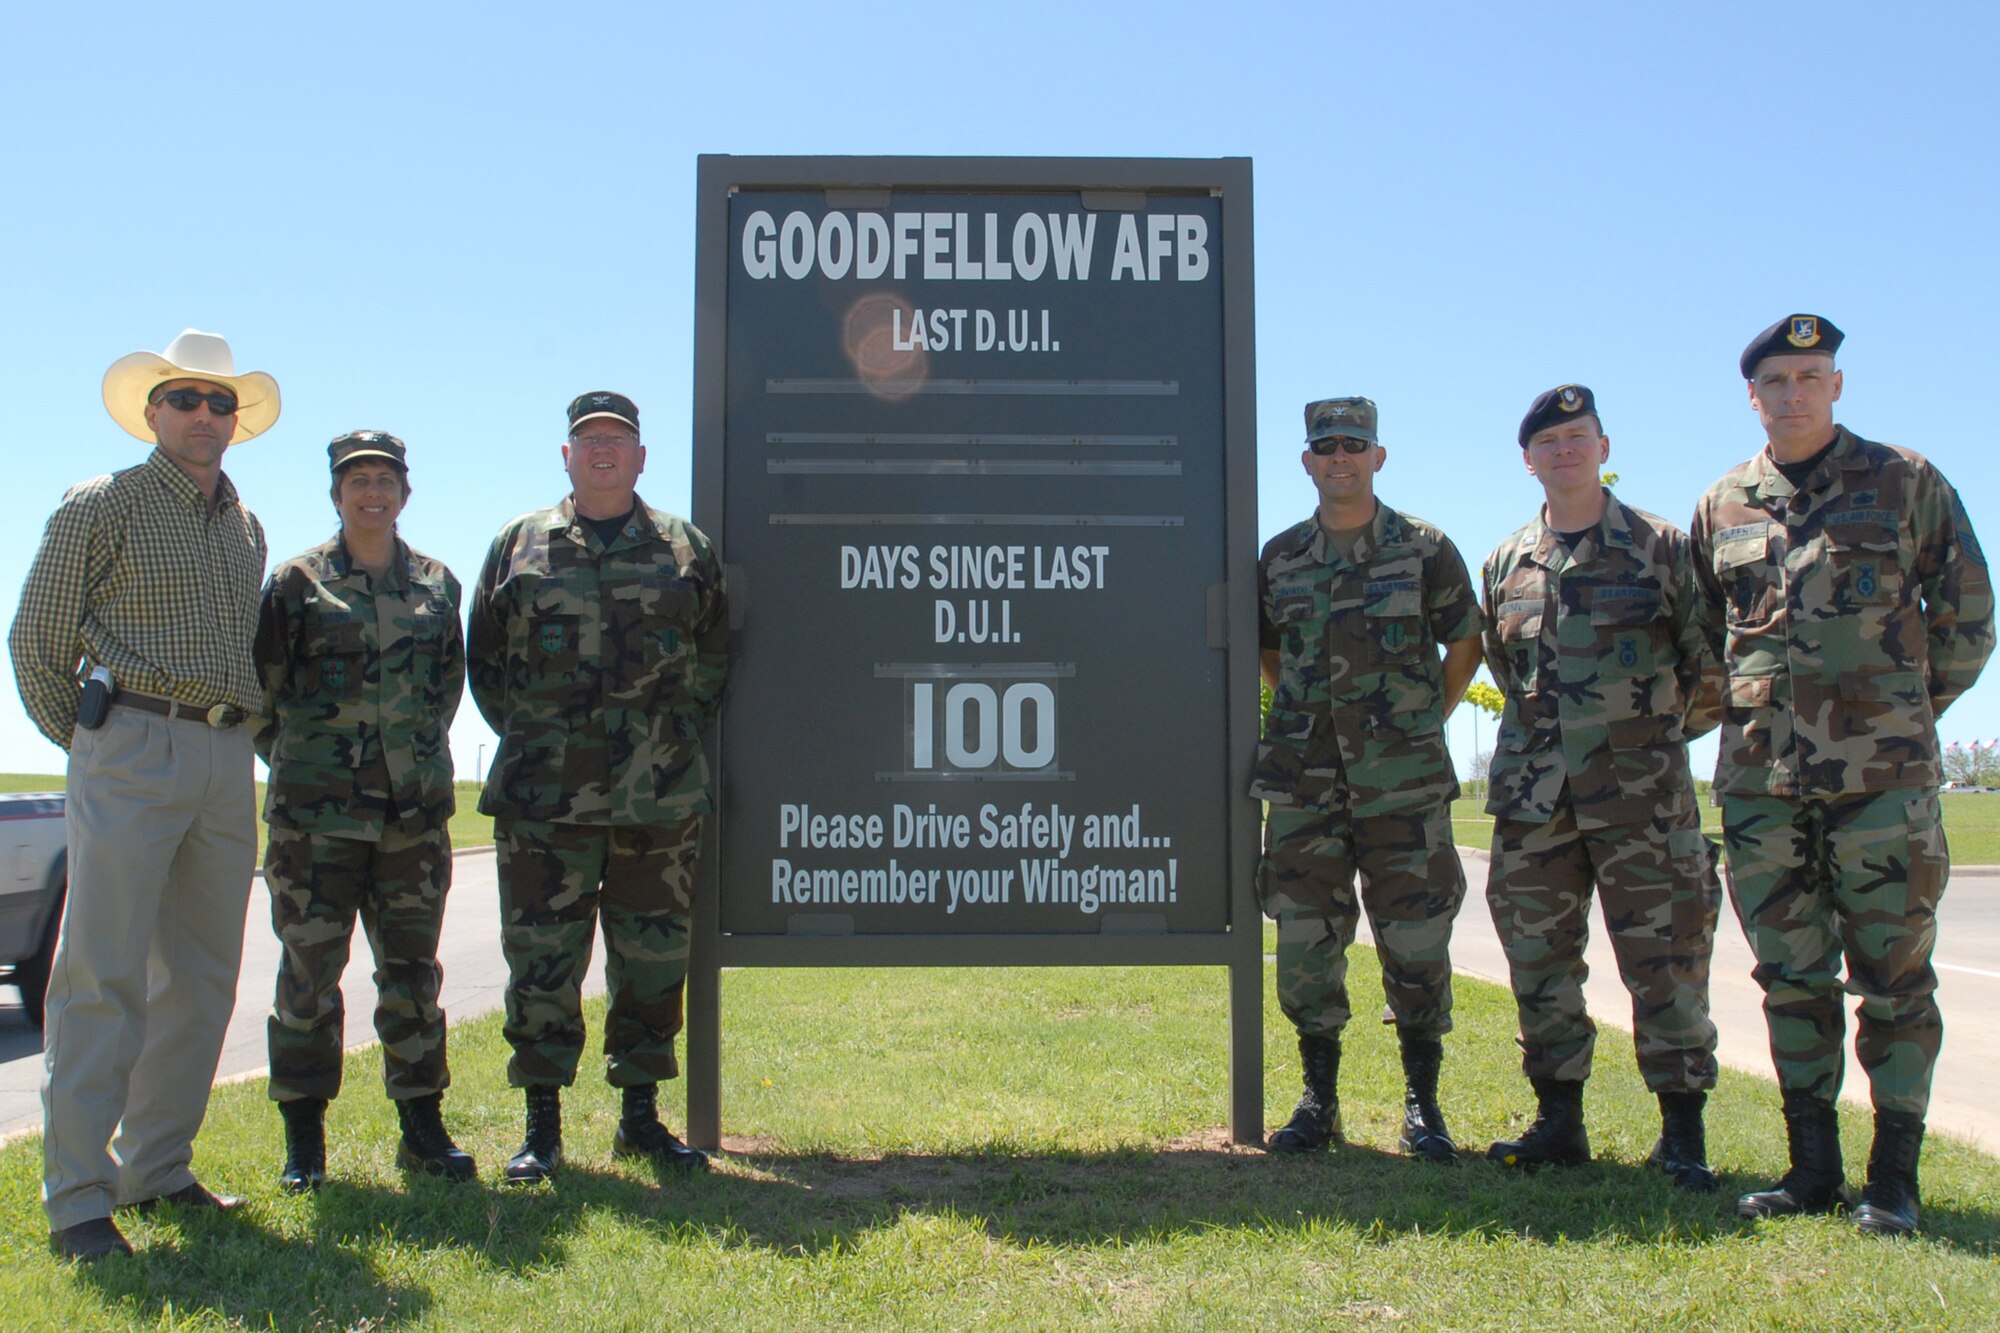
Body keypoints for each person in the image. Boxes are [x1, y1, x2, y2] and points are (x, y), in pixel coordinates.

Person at [1691, 315, 1993, 1235]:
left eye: (1810, 376)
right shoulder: (1724, 503)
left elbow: (1969, 616)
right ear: (1753, 395)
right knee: (1791, 977)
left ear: (1836, 384)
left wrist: (1898, 714)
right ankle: (1811, 1168)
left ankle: (1894, 1179)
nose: (1793, 393)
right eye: (1776, 380)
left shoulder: (1905, 481)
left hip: (1882, 785)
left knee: (1896, 979)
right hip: (1760, 785)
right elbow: (1705, 643)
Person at [9, 330, 276, 1261]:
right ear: (153, 410)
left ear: (235, 420)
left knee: (201, 981)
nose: (204, 414)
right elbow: (36, 639)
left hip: (223, 754)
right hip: (130, 742)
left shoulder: (247, 526)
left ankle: (156, 1169)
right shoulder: (102, 504)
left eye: (219, 401)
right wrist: (96, 740)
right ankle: (78, 1199)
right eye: (186, 397)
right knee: (101, 975)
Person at [469, 391, 729, 1183]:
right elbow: (485, 663)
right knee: (543, 960)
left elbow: (714, 654)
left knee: (651, 959)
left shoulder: (685, 548)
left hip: (660, 795)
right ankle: (541, 1126)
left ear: (642, 456)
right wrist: (541, 738)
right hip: (545, 802)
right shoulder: (519, 545)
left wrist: (670, 734)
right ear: (567, 456)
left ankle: (640, 1118)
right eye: (589, 440)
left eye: (618, 439)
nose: (604, 450)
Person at [1480, 385, 1725, 1189]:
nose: (1564, 451)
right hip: (1535, 804)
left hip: (1643, 801)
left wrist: (1649, 741)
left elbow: (1709, 665)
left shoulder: (1660, 547)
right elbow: (1504, 669)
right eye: (1548, 442)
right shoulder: (1506, 562)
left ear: (1604, 447)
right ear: (1528, 461)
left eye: (1577, 437)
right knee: (1540, 961)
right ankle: (1559, 1121)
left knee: (1667, 960)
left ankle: (1682, 1133)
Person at [1250, 397, 1483, 1160]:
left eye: (1355, 444)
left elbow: (1466, 643)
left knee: (1416, 944)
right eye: (1325, 446)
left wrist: (1422, 721)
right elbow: (1269, 653)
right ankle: (1319, 1100)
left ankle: (1424, 1103)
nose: (1339, 457)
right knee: (1307, 943)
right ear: (1307, 461)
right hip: (1305, 785)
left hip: (1404, 786)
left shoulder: (1424, 549)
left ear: (1379, 456)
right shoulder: (1280, 558)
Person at [252, 431, 474, 1191]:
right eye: (357, 482)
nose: (372, 493)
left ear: (404, 494)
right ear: (336, 495)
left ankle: (422, 1128)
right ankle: (304, 1141)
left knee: (412, 974)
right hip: (316, 823)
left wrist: (402, 764)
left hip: (410, 820)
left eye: (385, 480)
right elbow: (264, 695)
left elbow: (446, 689)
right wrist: (313, 767)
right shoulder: (296, 583)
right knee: (309, 976)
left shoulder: (437, 585)